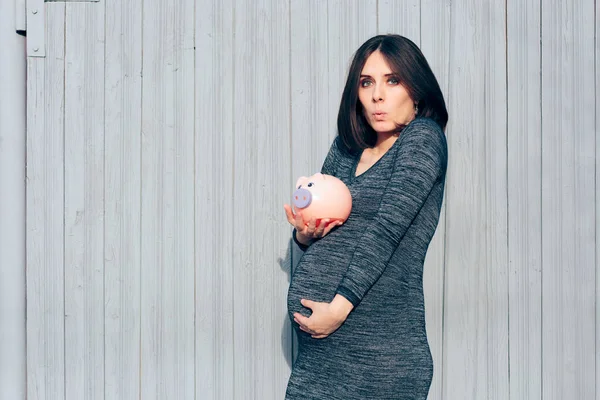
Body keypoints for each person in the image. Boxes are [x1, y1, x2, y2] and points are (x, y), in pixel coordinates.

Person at [283, 34, 448, 400]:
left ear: (416, 89)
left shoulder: (422, 139)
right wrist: (304, 237)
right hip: (320, 361)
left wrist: (338, 309)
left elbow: (386, 231)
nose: (377, 95)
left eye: (393, 80)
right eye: (366, 82)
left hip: (380, 359)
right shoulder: (347, 146)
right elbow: (324, 230)